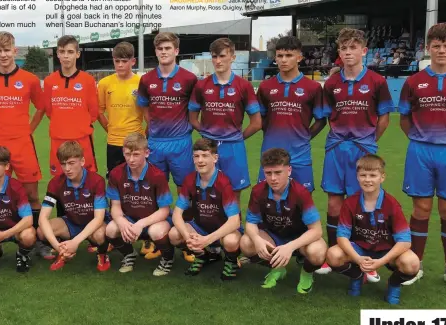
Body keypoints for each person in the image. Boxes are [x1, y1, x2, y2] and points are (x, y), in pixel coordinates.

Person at [398, 22, 446, 293]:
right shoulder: (413, 82)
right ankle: (415, 265)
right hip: (420, 150)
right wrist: (422, 139)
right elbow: (404, 119)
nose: (441, 50)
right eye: (436, 45)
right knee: (420, 210)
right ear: (427, 48)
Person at [317, 28, 393, 281]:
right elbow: (327, 116)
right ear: (339, 52)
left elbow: (384, 119)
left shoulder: (377, 81)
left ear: (364, 51)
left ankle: (366, 259)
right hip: (337, 148)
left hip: (363, 149)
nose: (348, 52)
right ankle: (332, 254)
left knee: (364, 203)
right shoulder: (332, 83)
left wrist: (370, 142)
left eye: (353, 48)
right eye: (344, 48)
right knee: (334, 203)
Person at [0, 31, 45, 259]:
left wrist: (29, 129)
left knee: (32, 194)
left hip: (24, 144)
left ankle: (34, 240)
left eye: (7, 50)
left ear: (14, 50)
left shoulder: (30, 79)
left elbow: (41, 107)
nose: (3, 55)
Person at [327, 154, 420, 304]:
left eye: (372, 175)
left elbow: (404, 241)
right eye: (363, 175)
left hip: (386, 251)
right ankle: (357, 275)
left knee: (412, 263)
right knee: (333, 255)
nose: (367, 179)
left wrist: (381, 262)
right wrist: (357, 259)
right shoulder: (350, 202)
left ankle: (394, 284)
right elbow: (342, 236)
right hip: (360, 250)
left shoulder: (392, 204)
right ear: (357, 177)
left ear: (382, 177)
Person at [136, 32, 197, 259]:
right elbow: (143, 106)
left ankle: (186, 239)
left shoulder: (189, 79)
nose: (164, 52)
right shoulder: (147, 79)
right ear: (156, 51)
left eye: (168, 48)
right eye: (160, 48)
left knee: (185, 190)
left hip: (181, 143)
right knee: (153, 192)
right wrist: (151, 126)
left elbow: (195, 108)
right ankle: (154, 239)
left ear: (176, 51)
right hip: (156, 144)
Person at [240, 148, 326, 294]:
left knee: (317, 252)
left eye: (278, 172)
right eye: (268, 173)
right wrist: (257, 239)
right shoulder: (258, 191)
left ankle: (306, 274)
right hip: (273, 237)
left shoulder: (300, 193)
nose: (273, 178)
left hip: (299, 240)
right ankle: (277, 268)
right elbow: (251, 222)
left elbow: (317, 230)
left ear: (289, 170)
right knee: (246, 243)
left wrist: (290, 247)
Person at [189, 37, 261, 203]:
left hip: (233, 147)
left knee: (234, 193)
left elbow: (256, 123)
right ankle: (206, 227)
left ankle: (235, 228)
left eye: (222, 56)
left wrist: (236, 138)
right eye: (214, 56)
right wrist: (207, 136)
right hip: (208, 148)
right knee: (206, 190)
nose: (218, 61)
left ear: (232, 57)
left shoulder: (244, 86)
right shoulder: (201, 85)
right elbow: (192, 118)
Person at [255, 36, 326, 192]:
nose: (283, 60)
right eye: (280, 56)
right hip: (270, 153)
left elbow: (321, 120)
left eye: (289, 55)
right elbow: (260, 118)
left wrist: (305, 137)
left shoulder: (313, 87)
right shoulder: (266, 86)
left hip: (300, 156)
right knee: (267, 202)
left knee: (302, 204)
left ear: (299, 57)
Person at [171, 138, 242, 280]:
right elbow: (177, 214)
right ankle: (202, 256)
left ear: (215, 158)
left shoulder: (223, 182)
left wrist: (207, 240)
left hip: (222, 230)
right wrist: (188, 238)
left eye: (205, 156)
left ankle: (230, 261)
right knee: (174, 234)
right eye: (196, 156)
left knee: (231, 241)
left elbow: (235, 221)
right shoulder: (190, 179)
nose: (200, 160)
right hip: (200, 227)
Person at [106, 133, 175, 276]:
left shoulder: (157, 175)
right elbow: (115, 206)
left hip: (154, 220)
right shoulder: (116, 173)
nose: (131, 159)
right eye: (127, 154)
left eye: (136, 154)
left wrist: (141, 224)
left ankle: (168, 258)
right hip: (130, 218)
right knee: (111, 229)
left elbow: (164, 210)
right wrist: (121, 221)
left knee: (156, 232)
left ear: (146, 152)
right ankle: (129, 254)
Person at [37, 141, 110, 272]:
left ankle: (102, 254)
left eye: (71, 163)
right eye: (63, 164)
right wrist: (57, 245)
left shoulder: (96, 181)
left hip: (94, 224)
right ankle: (63, 252)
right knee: (41, 231)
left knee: (101, 234)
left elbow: (99, 218)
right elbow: (42, 218)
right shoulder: (55, 182)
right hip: (71, 222)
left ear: (82, 161)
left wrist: (75, 242)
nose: (67, 169)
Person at [43, 35, 99, 176]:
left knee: (86, 180)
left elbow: (93, 112)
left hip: (81, 140)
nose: (66, 56)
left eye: (70, 52)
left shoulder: (88, 80)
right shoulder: (50, 81)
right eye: (62, 52)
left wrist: (78, 126)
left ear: (77, 54)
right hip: (58, 140)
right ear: (57, 54)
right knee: (59, 182)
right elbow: (49, 111)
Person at [97, 41, 144, 177]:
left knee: (137, 181)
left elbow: (149, 114)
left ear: (133, 61)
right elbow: (99, 112)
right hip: (114, 142)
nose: (120, 65)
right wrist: (110, 129)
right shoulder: (105, 83)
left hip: (136, 141)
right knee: (114, 183)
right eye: (117, 61)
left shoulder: (141, 83)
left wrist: (141, 135)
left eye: (124, 61)